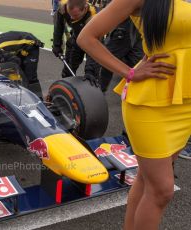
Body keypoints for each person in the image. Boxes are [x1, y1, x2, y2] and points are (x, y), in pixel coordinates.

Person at [78, 0, 188, 229]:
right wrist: (129, 72)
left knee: (146, 180)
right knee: (162, 190)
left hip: (184, 103)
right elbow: (87, 37)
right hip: (152, 103)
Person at [0, 31, 45, 98]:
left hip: (30, 45)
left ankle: (40, 101)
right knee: (15, 72)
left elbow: (16, 61)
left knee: (30, 77)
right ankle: (24, 97)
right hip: (19, 45)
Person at [52, 0, 100, 84]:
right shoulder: (63, 7)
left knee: (92, 75)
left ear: (85, 9)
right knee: (68, 70)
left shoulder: (94, 16)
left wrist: (90, 70)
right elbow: (58, 27)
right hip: (76, 36)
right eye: (69, 15)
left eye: (75, 15)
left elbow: (95, 47)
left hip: (93, 40)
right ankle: (66, 85)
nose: (72, 18)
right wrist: (57, 45)